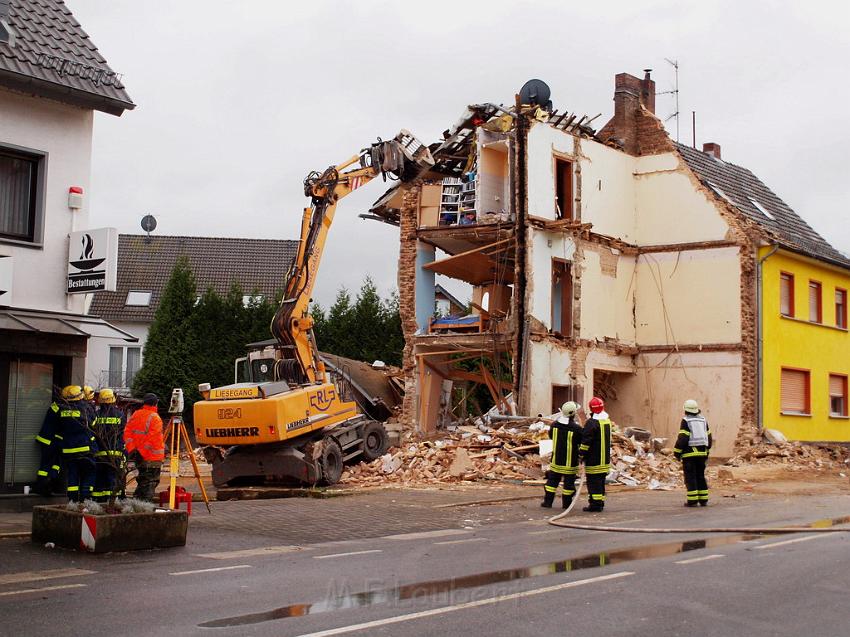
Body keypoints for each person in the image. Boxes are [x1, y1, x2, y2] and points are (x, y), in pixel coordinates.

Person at [57, 385, 98, 502]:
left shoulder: (62, 409)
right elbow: (94, 424)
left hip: (68, 449)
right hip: (85, 448)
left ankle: (72, 500)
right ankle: (85, 499)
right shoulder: (85, 408)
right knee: (88, 473)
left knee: (72, 475)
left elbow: (59, 427)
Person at [542, 401, 583, 509]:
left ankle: (547, 502)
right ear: (573, 413)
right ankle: (566, 505)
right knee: (568, 485)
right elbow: (581, 441)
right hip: (570, 463)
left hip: (556, 460)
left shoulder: (554, 425)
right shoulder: (576, 428)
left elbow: (551, 436)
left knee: (552, 482)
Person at [124, 393, 164, 502]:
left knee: (142, 481)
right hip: (151, 457)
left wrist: (133, 450)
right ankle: (144, 507)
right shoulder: (155, 418)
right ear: (155, 403)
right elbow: (152, 439)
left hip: (138, 456)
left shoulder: (136, 414)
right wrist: (143, 452)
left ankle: (136, 504)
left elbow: (127, 433)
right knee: (150, 483)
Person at [674, 399, 712, 507]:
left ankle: (692, 500)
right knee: (700, 475)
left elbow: (683, 437)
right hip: (702, 454)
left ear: (685, 410)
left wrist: (676, 452)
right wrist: (707, 450)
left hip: (689, 455)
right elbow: (709, 436)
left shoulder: (686, 421)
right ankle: (703, 499)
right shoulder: (703, 420)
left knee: (690, 477)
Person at [92, 388, 126, 502]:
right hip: (116, 452)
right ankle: (113, 501)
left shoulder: (96, 415)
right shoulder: (120, 415)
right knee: (114, 478)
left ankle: (99, 501)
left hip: (100, 453)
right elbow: (123, 433)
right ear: (113, 400)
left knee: (100, 479)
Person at [579, 396, 612, 512]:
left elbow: (586, 441)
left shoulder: (592, 423)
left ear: (591, 409)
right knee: (601, 482)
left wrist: (581, 454)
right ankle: (600, 502)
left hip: (594, 459)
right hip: (604, 460)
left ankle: (595, 505)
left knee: (593, 483)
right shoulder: (606, 421)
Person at [34, 391, 64, 496]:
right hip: (53, 441)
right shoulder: (63, 408)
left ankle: (43, 486)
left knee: (47, 464)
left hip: (46, 439)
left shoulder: (56, 405)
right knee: (52, 464)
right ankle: (46, 487)